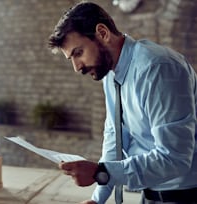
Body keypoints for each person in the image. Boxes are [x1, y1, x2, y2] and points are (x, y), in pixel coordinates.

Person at [48, 1, 197, 204]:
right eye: (71, 59)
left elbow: (175, 158)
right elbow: (115, 141)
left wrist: (102, 172)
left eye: (78, 53)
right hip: (149, 195)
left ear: (102, 33)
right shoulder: (112, 75)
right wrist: (97, 199)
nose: (77, 67)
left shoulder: (157, 69)